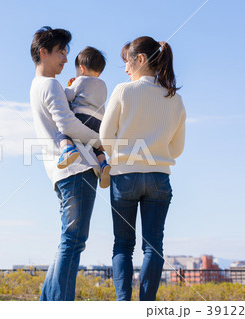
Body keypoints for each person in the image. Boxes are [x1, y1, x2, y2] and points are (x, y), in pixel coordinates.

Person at [99, 36, 186, 301]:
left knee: (123, 246)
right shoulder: (175, 99)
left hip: (124, 177)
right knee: (154, 247)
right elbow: (177, 148)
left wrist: (122, 156)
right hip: (160, 177)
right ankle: (147, 307)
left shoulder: (124, 91)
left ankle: (124, 305)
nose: (125, 68)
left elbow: (105, 136)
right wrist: (155, 155)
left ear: (140, 59)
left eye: (127, 61)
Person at [29, 26, 101, 301]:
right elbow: (67, 124)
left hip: (60, 173)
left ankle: (49, 302)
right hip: (77, 170)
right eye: (60, 52)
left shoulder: (38, 86)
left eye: (66, 52)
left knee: (68, 241)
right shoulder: (50, 84)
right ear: (43, 52)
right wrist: (100, 141)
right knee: (73, 242)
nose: (64, 58)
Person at [55, 46, 112, 188]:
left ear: (81, 68)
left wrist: (70, 85)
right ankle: (103, 164)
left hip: (81, 116)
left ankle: (68, 150)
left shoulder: (79, 81)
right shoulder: (103, 85)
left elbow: (67, 96)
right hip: (99, 121)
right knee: (95, 146)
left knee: (63, 131)